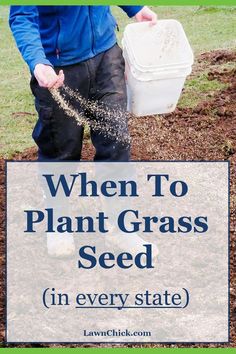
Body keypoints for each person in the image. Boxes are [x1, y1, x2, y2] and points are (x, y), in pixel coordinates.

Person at [9, 6, 157, 162]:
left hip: (106, 56)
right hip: (58, 70)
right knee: (61, 152)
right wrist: (37, 61)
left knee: (116, 141)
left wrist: (135, 7)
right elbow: (22, 16)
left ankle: (114, 186)